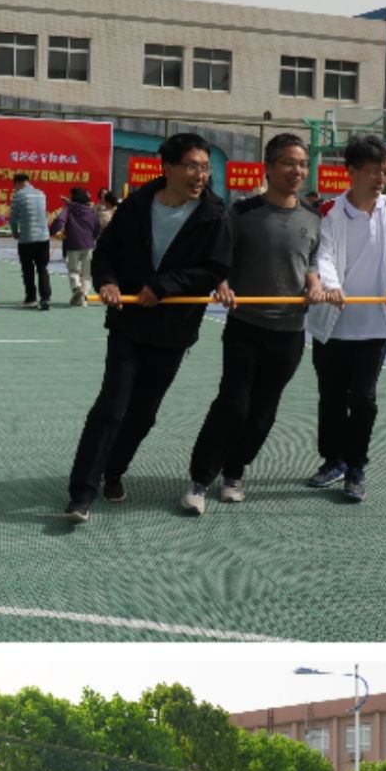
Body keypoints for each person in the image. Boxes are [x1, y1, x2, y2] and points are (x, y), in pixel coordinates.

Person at [63, 132, 232, 523]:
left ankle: (113, 471)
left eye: (205, 168)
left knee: (143, 414)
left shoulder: (214, 214)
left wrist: (163, 286)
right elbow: (106, 252)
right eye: (192, 166)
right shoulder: (137, 205)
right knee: (110, 408)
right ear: (168, 168)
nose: (200, 175)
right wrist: (107, 281)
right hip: (129, 323)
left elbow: (215, 268)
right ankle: (81, 494)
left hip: (174, 331)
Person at [180, 133, 323, 515]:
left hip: (290, 332)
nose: (297, 171)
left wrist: (314, 284)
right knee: (233, 404)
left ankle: (234, 473)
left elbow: (311, 262)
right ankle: (200, 480)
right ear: (269, 167)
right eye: (289, 163)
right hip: (246, 327)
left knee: (264, 413)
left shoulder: (313, 217)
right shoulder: (242, 213)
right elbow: (220, 259)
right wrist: (222, 284)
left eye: (302, 164)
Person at [303, 134, 386, 505]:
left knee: (363, 398)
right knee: (331, 397)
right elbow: (323, 256)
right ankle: (332, 460)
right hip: (333, 324)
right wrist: (332, 286)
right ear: (351, 172)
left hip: (374, 325)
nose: (380, 179)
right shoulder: (330, 212)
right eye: (372, 171)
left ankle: (356, 466)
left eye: (385, 172)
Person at [8, 172, 52, 309]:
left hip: (27, 238)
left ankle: (31, 298)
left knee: (28, 270)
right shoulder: (41, 194)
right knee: (42, 268)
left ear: (18, 183)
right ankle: (45, 299)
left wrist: (15, 231)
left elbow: (13, 218)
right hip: (44, 237)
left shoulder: (18, 196)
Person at [55, 186, 100, 306]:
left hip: (73, 244)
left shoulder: (69, 208)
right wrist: (92, 238)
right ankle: (83, 298)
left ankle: (76, 288)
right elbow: (97, 227)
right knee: (87, 275)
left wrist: (53, 231)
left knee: (73, 270)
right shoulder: (90, 210)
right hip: (89, 245)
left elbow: (60, 220)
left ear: (74, 197)